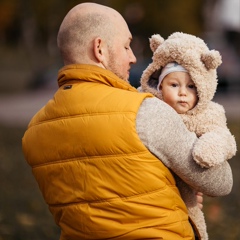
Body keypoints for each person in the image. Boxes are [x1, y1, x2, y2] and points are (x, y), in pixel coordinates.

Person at [22, 3, 233, 240]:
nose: (133, 57)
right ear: (99, 49)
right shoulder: (144, 111)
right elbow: (221, 182)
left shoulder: (34, 131)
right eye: (126, 46)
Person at [140, 32, 237, 239]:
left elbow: (224, 137)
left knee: (192, 221)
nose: (183, 93)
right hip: (154, 188)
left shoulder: (208, 113)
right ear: (159, 86)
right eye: (174, 85)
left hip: (190, 189)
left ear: (202, 88)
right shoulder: (149, 106)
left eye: (192, 86)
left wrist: (210, 146)